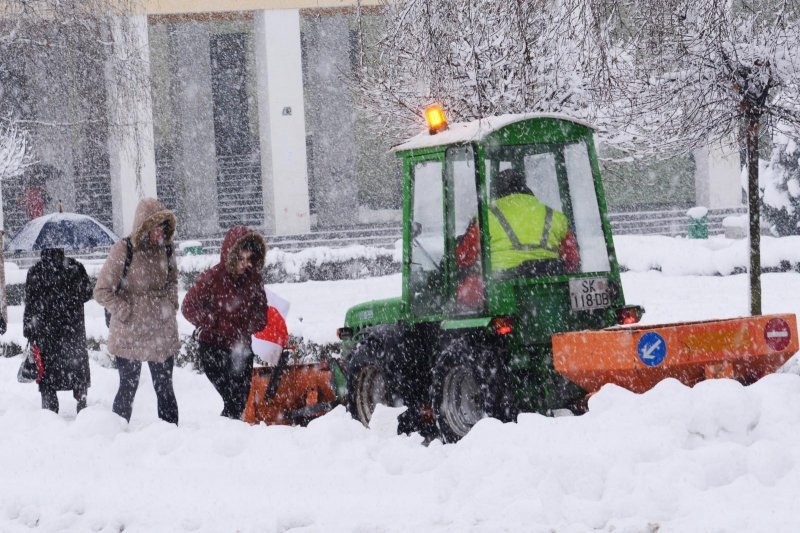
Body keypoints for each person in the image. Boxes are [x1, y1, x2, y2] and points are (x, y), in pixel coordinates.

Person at [94, 198, 180, 424]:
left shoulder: (167, 249)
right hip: (129, 330)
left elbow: (172, 281)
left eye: (163, 227)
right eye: (155, 228)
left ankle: (172, 439)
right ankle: (117, 435)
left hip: (161, 328)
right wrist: (122, 310)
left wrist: (171, 303)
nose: (160, 233)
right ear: (144, 227)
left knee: (164, 388)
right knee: (127, 388)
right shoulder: (124, 249)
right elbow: (101, 290)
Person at [455, 168, 580, 307]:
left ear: (497, 190)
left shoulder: (486, 217)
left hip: (501, 284)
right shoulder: (555, 216)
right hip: (552, 281)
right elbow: (572, 259)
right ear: (524, 186)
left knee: (465, 291)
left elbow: (464, 257)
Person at [182, 226, 268, 419]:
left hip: (242, 348)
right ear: (231, 256)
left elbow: (262, 314)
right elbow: (188, 307)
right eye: (240, 259)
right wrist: (213, 321)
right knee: (233, 400)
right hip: (214, 348)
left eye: (249, 259)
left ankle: (230, 438)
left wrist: (247, 324)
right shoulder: (212, 278)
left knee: (240, 401)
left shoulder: (254, 279)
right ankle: (226, 438)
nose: (245, 264)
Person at [23, 247, 93, 413]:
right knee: (77, 372)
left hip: (46, 333)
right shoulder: (75, 267)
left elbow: (30, 303)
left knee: (48, 376)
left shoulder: (35, 271)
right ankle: (82, 404)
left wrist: (28, 329)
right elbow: (87, 294)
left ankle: (49, 411)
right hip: (72, 331)